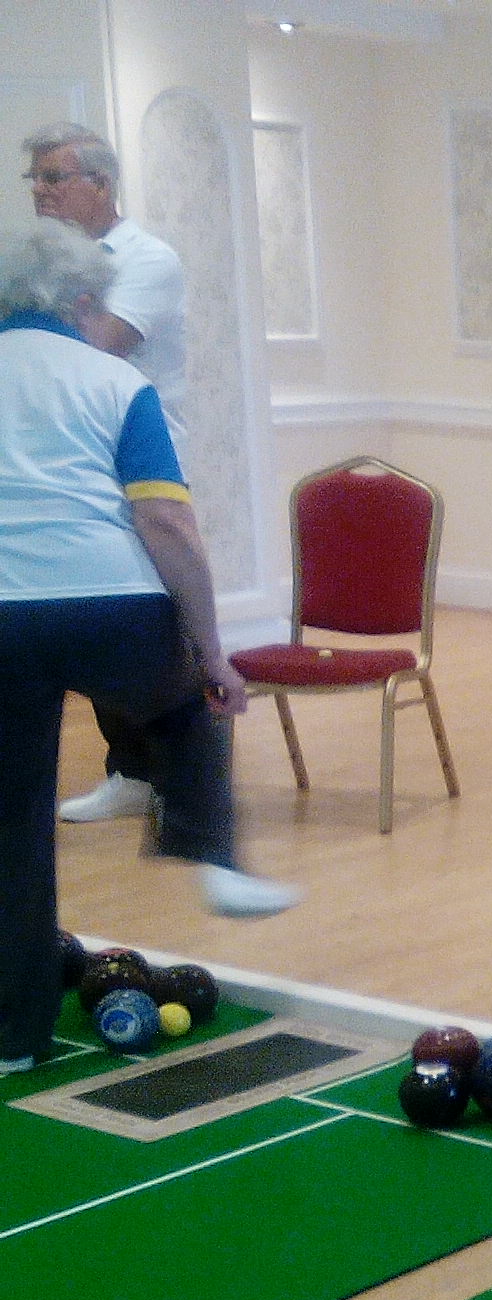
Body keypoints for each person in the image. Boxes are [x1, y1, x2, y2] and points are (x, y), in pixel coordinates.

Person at [1, 221, 296, 1073]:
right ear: (79, 300)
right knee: (186, 704)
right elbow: (165, 520)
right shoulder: (116, 381)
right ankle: (213, 852)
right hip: (110, 601)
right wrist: (211, 651)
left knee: (10, 828)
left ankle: (13, 1041)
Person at [22, 123, 189, 828]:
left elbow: (101, 345)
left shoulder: (147, 259)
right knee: (89, 606)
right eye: (34, 179)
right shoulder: (41, 266)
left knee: (149, 616)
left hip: (142, 453)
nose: (41, 192)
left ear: (101, 183)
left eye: (54, 177)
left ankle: (175, 775)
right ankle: (130, 771)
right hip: (72, 457)